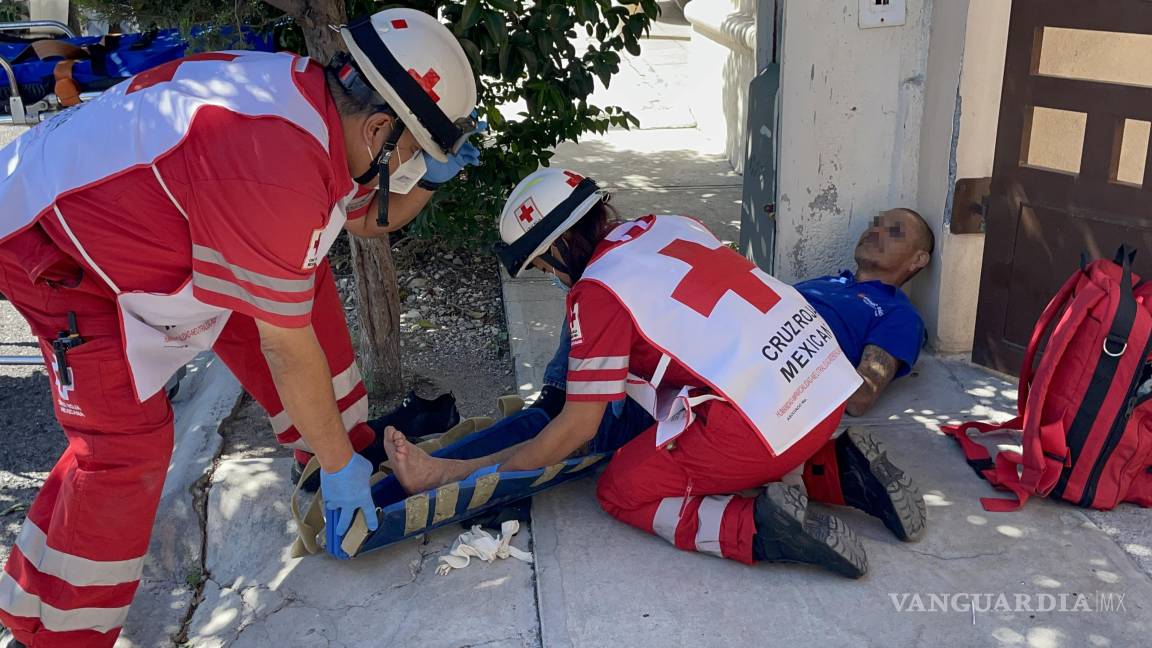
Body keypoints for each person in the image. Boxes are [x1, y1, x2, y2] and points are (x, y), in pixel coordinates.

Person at [0, 9, 480, 646]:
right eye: (416, 153)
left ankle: (334, 453)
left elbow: (366, 219)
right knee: (121, 450)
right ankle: (57, 635)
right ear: (380, 127)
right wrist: (340, 467)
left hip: (135, 220)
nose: (413, 166)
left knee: (305, 284)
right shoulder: (274, 166)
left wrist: (436, 178)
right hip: (54, 248)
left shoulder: (316, 108)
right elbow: (286, 347)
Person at [381, 168, 929, 579]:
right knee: (646, 424)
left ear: (560, 245)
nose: (551, 278)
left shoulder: (597, 290)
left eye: (544, 265)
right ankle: (832, 471)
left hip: (762, 429)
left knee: (624, 487)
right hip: (823, 396)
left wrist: (480, 478)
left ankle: (758, 530)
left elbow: (576, 428)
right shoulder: (670, 225)